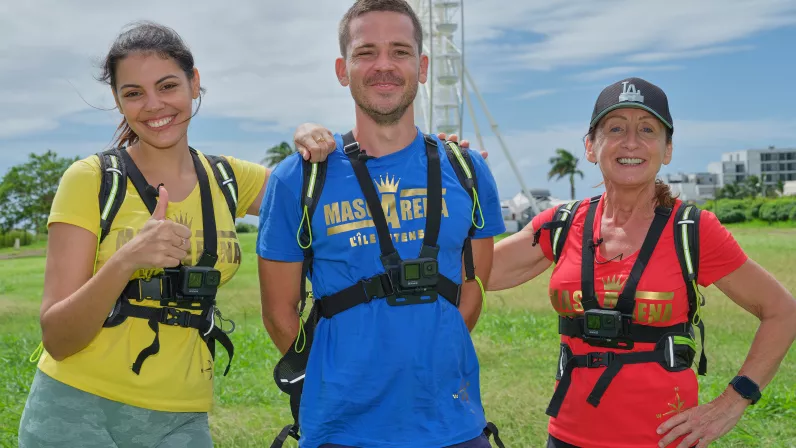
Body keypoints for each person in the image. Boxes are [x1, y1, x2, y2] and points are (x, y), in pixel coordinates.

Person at [17, 21, 334, 448]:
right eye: (134, 93)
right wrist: (126, 260)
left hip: (180, 417)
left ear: (194, 83)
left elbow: (318, 191)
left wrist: (308, 136)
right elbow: (57, 338)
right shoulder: (91, 180)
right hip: (76, 412)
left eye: (167, 86)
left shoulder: (227, 178)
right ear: (118, 100)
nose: (154, 105)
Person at [483, 77, 796, 448]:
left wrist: (732, 402)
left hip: (662, 440)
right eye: (615, 128)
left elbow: (782, 312)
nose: (631, 142)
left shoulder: (692, 230)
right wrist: (457, 185)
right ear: (590, 146)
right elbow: (475, 271)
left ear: (667, 149)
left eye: (647, 129)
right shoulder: (561, 225)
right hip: (567, 436)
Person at [256, 0, 506, 447]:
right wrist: (338, 376)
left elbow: (473, 292)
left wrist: (427, 360)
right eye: (366, 52)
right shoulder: (298, 178)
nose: (384, 65)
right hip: (341, 431)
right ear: (343, 69)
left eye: (400, 51)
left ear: (422, 67)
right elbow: (278, 313)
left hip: (453, 427)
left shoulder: (467, 170)